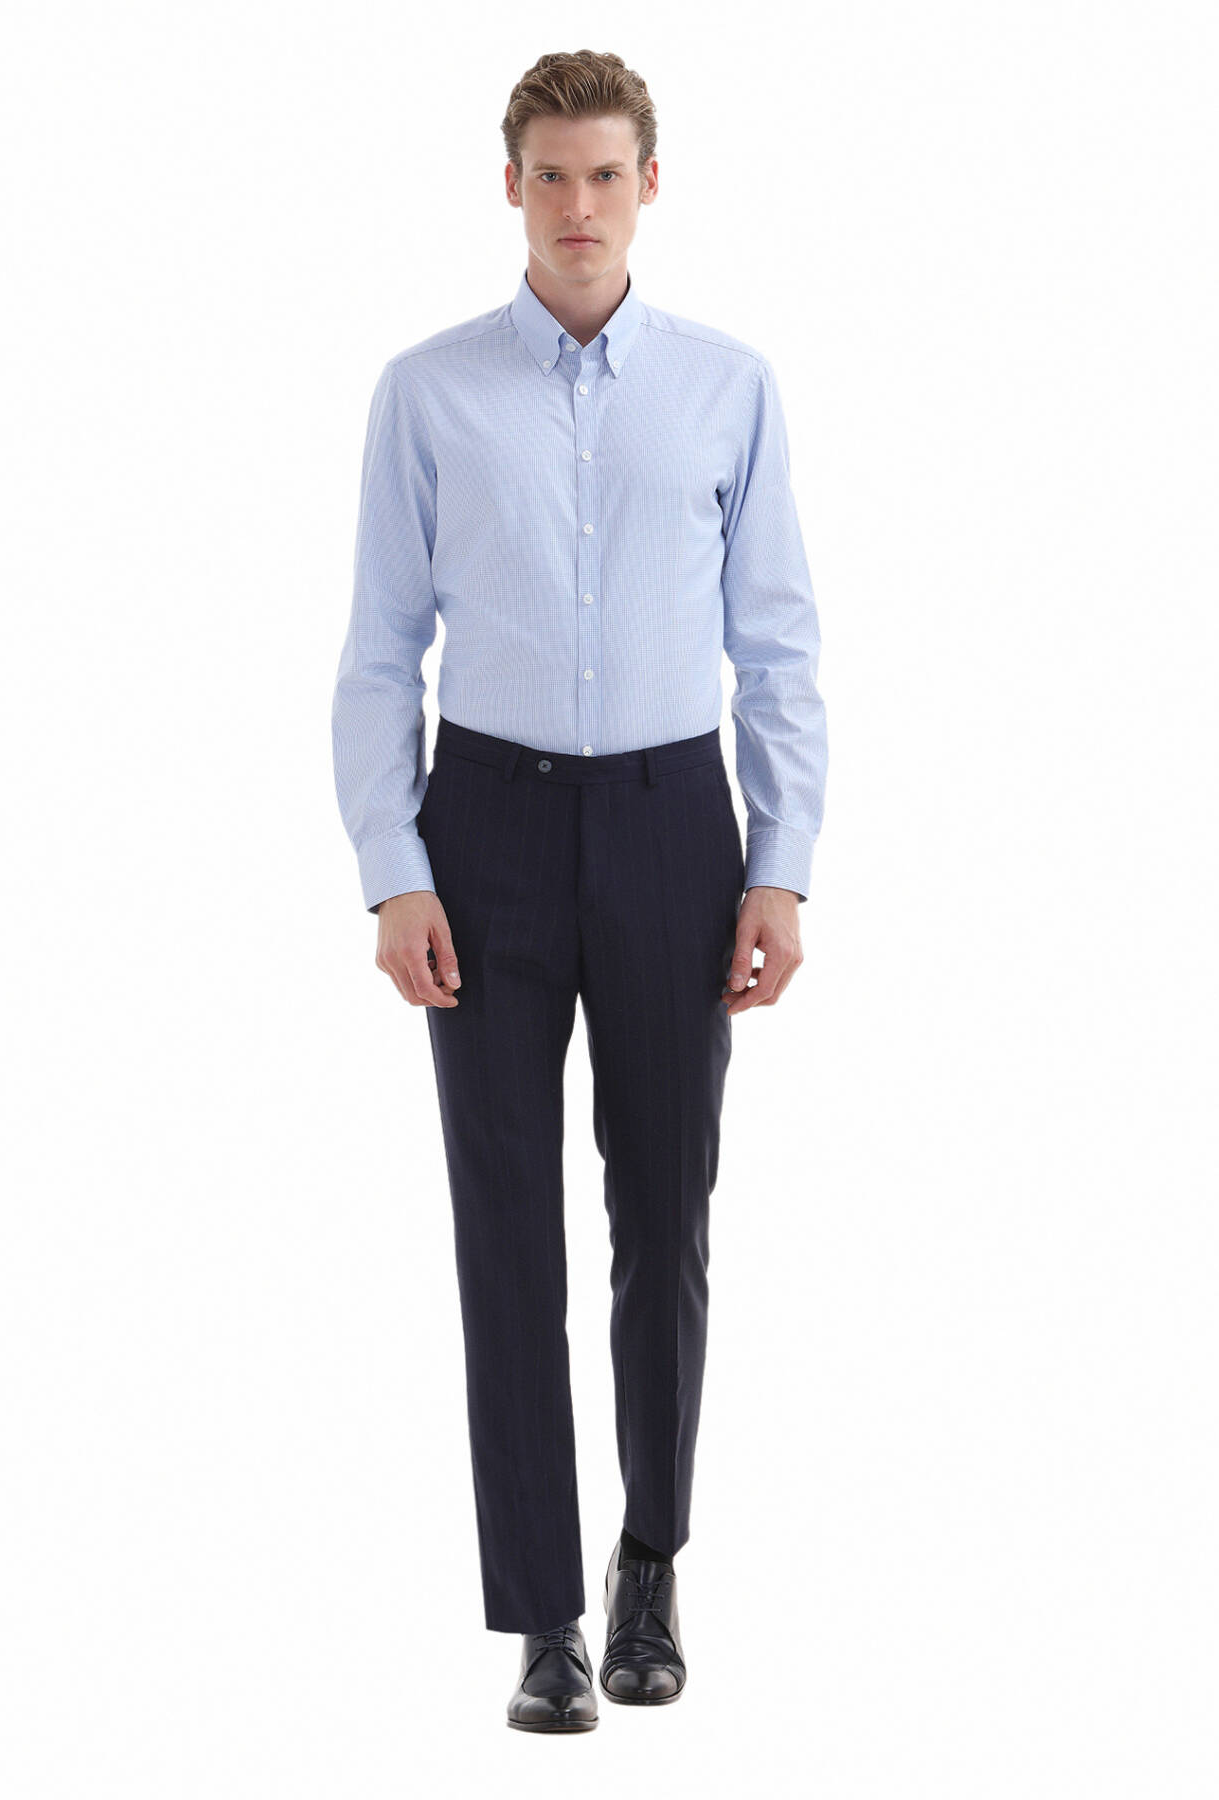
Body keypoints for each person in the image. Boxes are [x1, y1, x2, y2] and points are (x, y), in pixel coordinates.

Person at [331, 48, 828, 1732]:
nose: (576, 207)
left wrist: (780, 867)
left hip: (675, 827)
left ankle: (650, 1562)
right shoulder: (428, 391)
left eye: (604, 174)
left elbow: (777, 646)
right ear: (510, 187)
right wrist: (393, 871)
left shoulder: (726, 387)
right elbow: (376, 651)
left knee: (664, 1213)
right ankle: (542, 1613)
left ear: (648, 184)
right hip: (484, 826)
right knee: (504, 1222)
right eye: (548, 175)